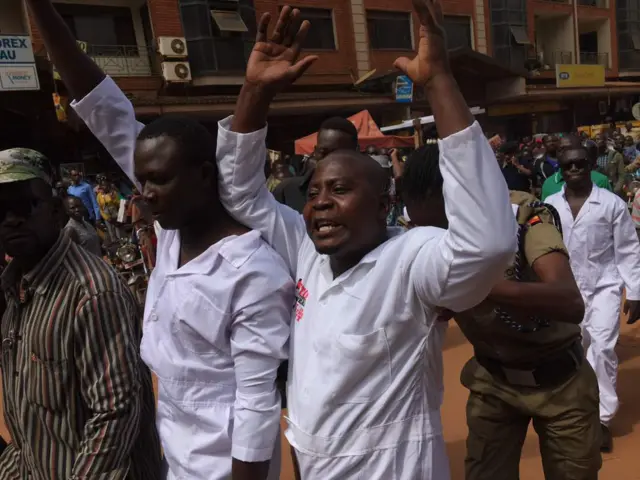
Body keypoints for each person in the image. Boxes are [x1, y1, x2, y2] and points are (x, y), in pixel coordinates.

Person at [216, 3, 516, 478]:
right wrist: (255, 90)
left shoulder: (410, 259)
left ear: (383, 205)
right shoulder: (303, 250)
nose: (320, 204)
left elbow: (489, 245)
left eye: (339, 190)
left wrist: (438, 81)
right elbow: (238, 192)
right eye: (313, 193)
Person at [27, 0, 295, 478]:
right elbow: (104, 108)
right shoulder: (171, 230)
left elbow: (256, 408)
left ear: (204, 176)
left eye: (160, 181)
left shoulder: (252, 272)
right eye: (141, 181)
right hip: (174, 457)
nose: (145, 194)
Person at [401, 141, 601, 478]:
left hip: (560, 383)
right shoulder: (421, 226)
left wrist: (474, 281)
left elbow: (568, 301)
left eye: (441, 228)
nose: (436, 240)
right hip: (493, 381)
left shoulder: (523, 217)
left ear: (457, 199)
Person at [0, 148, 162, 479]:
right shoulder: (16, 288)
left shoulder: (91, 293)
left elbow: (115, 416)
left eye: (26, 205)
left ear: (57, 211)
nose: (11, 219)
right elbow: (24, 417)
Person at [546, 136, 640, 452]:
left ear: (590, 166)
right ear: (561, 168)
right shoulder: (551, 207)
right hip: (566, 291)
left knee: (602, 349)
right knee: (570, 350)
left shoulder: (611, 204)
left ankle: (600, 419)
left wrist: (636, 291)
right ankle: (574, 413)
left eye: (580, 163)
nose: (574, 168)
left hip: (605, 287)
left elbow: (628, 248)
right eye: (568, 164)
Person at [272, 116, 358, 213]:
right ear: (315, 151)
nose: (329, 161)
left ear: (355, 152)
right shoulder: (287, 191)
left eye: (338, 154)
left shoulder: (367, 193)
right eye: (323, 153)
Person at [541, 139, 611, 200]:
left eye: (570, 148)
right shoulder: (548, 184)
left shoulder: (601, 180)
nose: (566, 153)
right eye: (561, 149)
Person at [95, 173, 124, 242]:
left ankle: (122, 243)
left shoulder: (113, 193)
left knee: (118, 230)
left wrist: (113, 199)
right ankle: (115, 244)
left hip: (115, 214)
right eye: (103, 186)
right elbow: (100, 209)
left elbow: (120, 204)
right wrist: (107, 218)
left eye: (106, 185)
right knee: (111, 231)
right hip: (107, 217)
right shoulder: (99, 196)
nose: (105, 187)